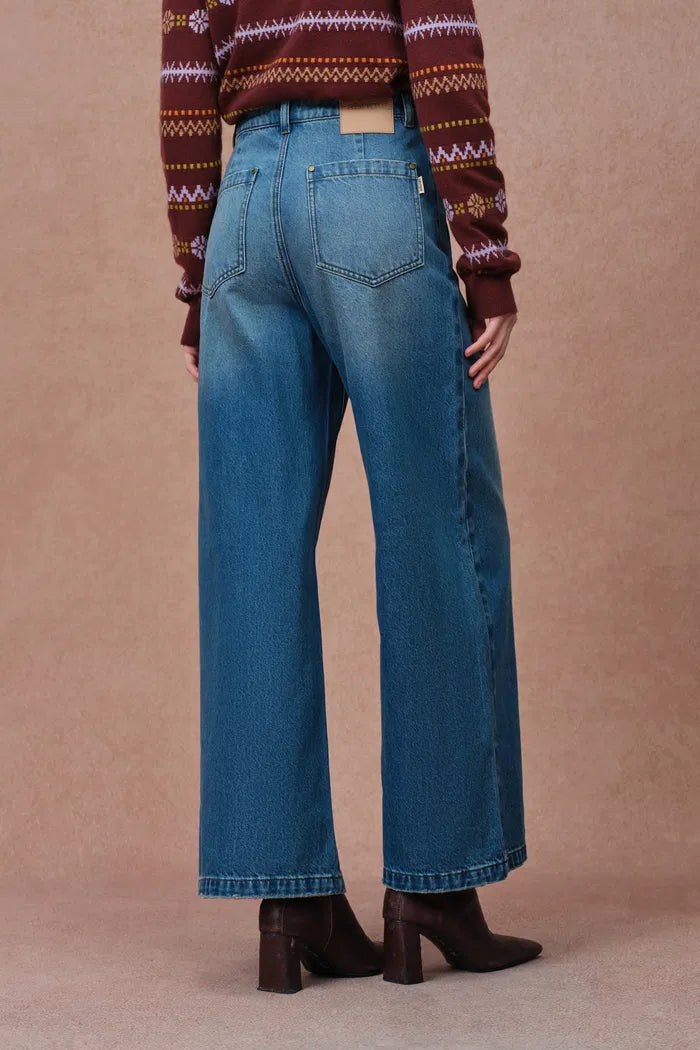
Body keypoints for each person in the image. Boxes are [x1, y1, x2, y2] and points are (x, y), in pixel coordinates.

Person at [160, 1, 542, 993]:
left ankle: (291, 907)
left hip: (245, 198)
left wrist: (199, 275)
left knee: (251, 555)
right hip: (372, 179)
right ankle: (436, 888)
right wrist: (484, 253)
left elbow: (185, 83)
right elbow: (441, 47)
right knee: (436, 533)